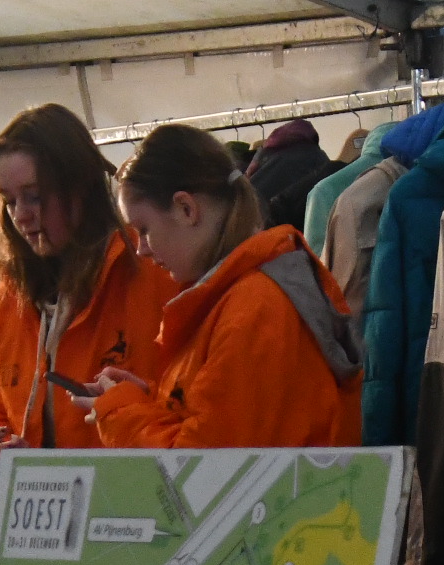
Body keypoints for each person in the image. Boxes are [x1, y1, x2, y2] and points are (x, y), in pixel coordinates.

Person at [83, 124, 361, 448]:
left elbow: (202, 466)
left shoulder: (253, 308)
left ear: (186, 209)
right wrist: (147, 401)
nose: (141, 249)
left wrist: (120, 412)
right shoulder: (238, 296)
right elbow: (219, 423)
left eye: (144, 230)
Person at [0, 103, 178, 497]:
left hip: (138, 510)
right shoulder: (6, 297)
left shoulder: (155, 272)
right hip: (40, 519)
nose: (21, 215)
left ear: (80, 188)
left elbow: (193, 413)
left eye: (34, 197)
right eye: (8, 201)